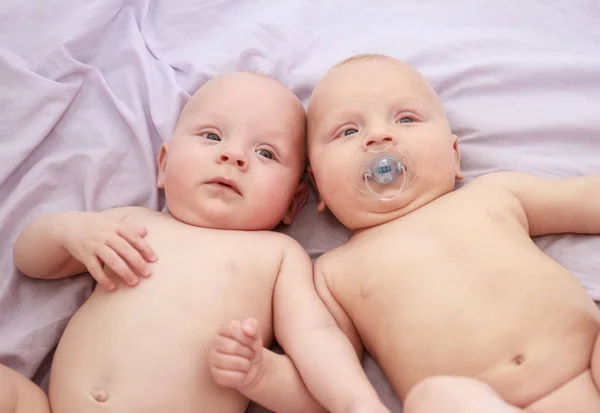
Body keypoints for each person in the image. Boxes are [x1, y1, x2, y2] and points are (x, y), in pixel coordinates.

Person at [8, 72, 387, 413]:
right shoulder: (128, 222)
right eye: (211, 136)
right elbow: (30, 262)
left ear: (293, 202)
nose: (233, 156)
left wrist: (265, 375)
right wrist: (69, 231)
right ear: (163, 164)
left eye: (265, 153)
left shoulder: (277, 256)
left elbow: (316, 343)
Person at [301, 53, 600, 412]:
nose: (379, 135)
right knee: (432, 397)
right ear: (317, 185)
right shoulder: (333, 272)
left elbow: (585, 200)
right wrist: (265, 376)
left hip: (590, 374)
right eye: (348, 131)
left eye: (406, 118)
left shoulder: (494, 194)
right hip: (477, 402)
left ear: (454, 154)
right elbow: (324, 357)